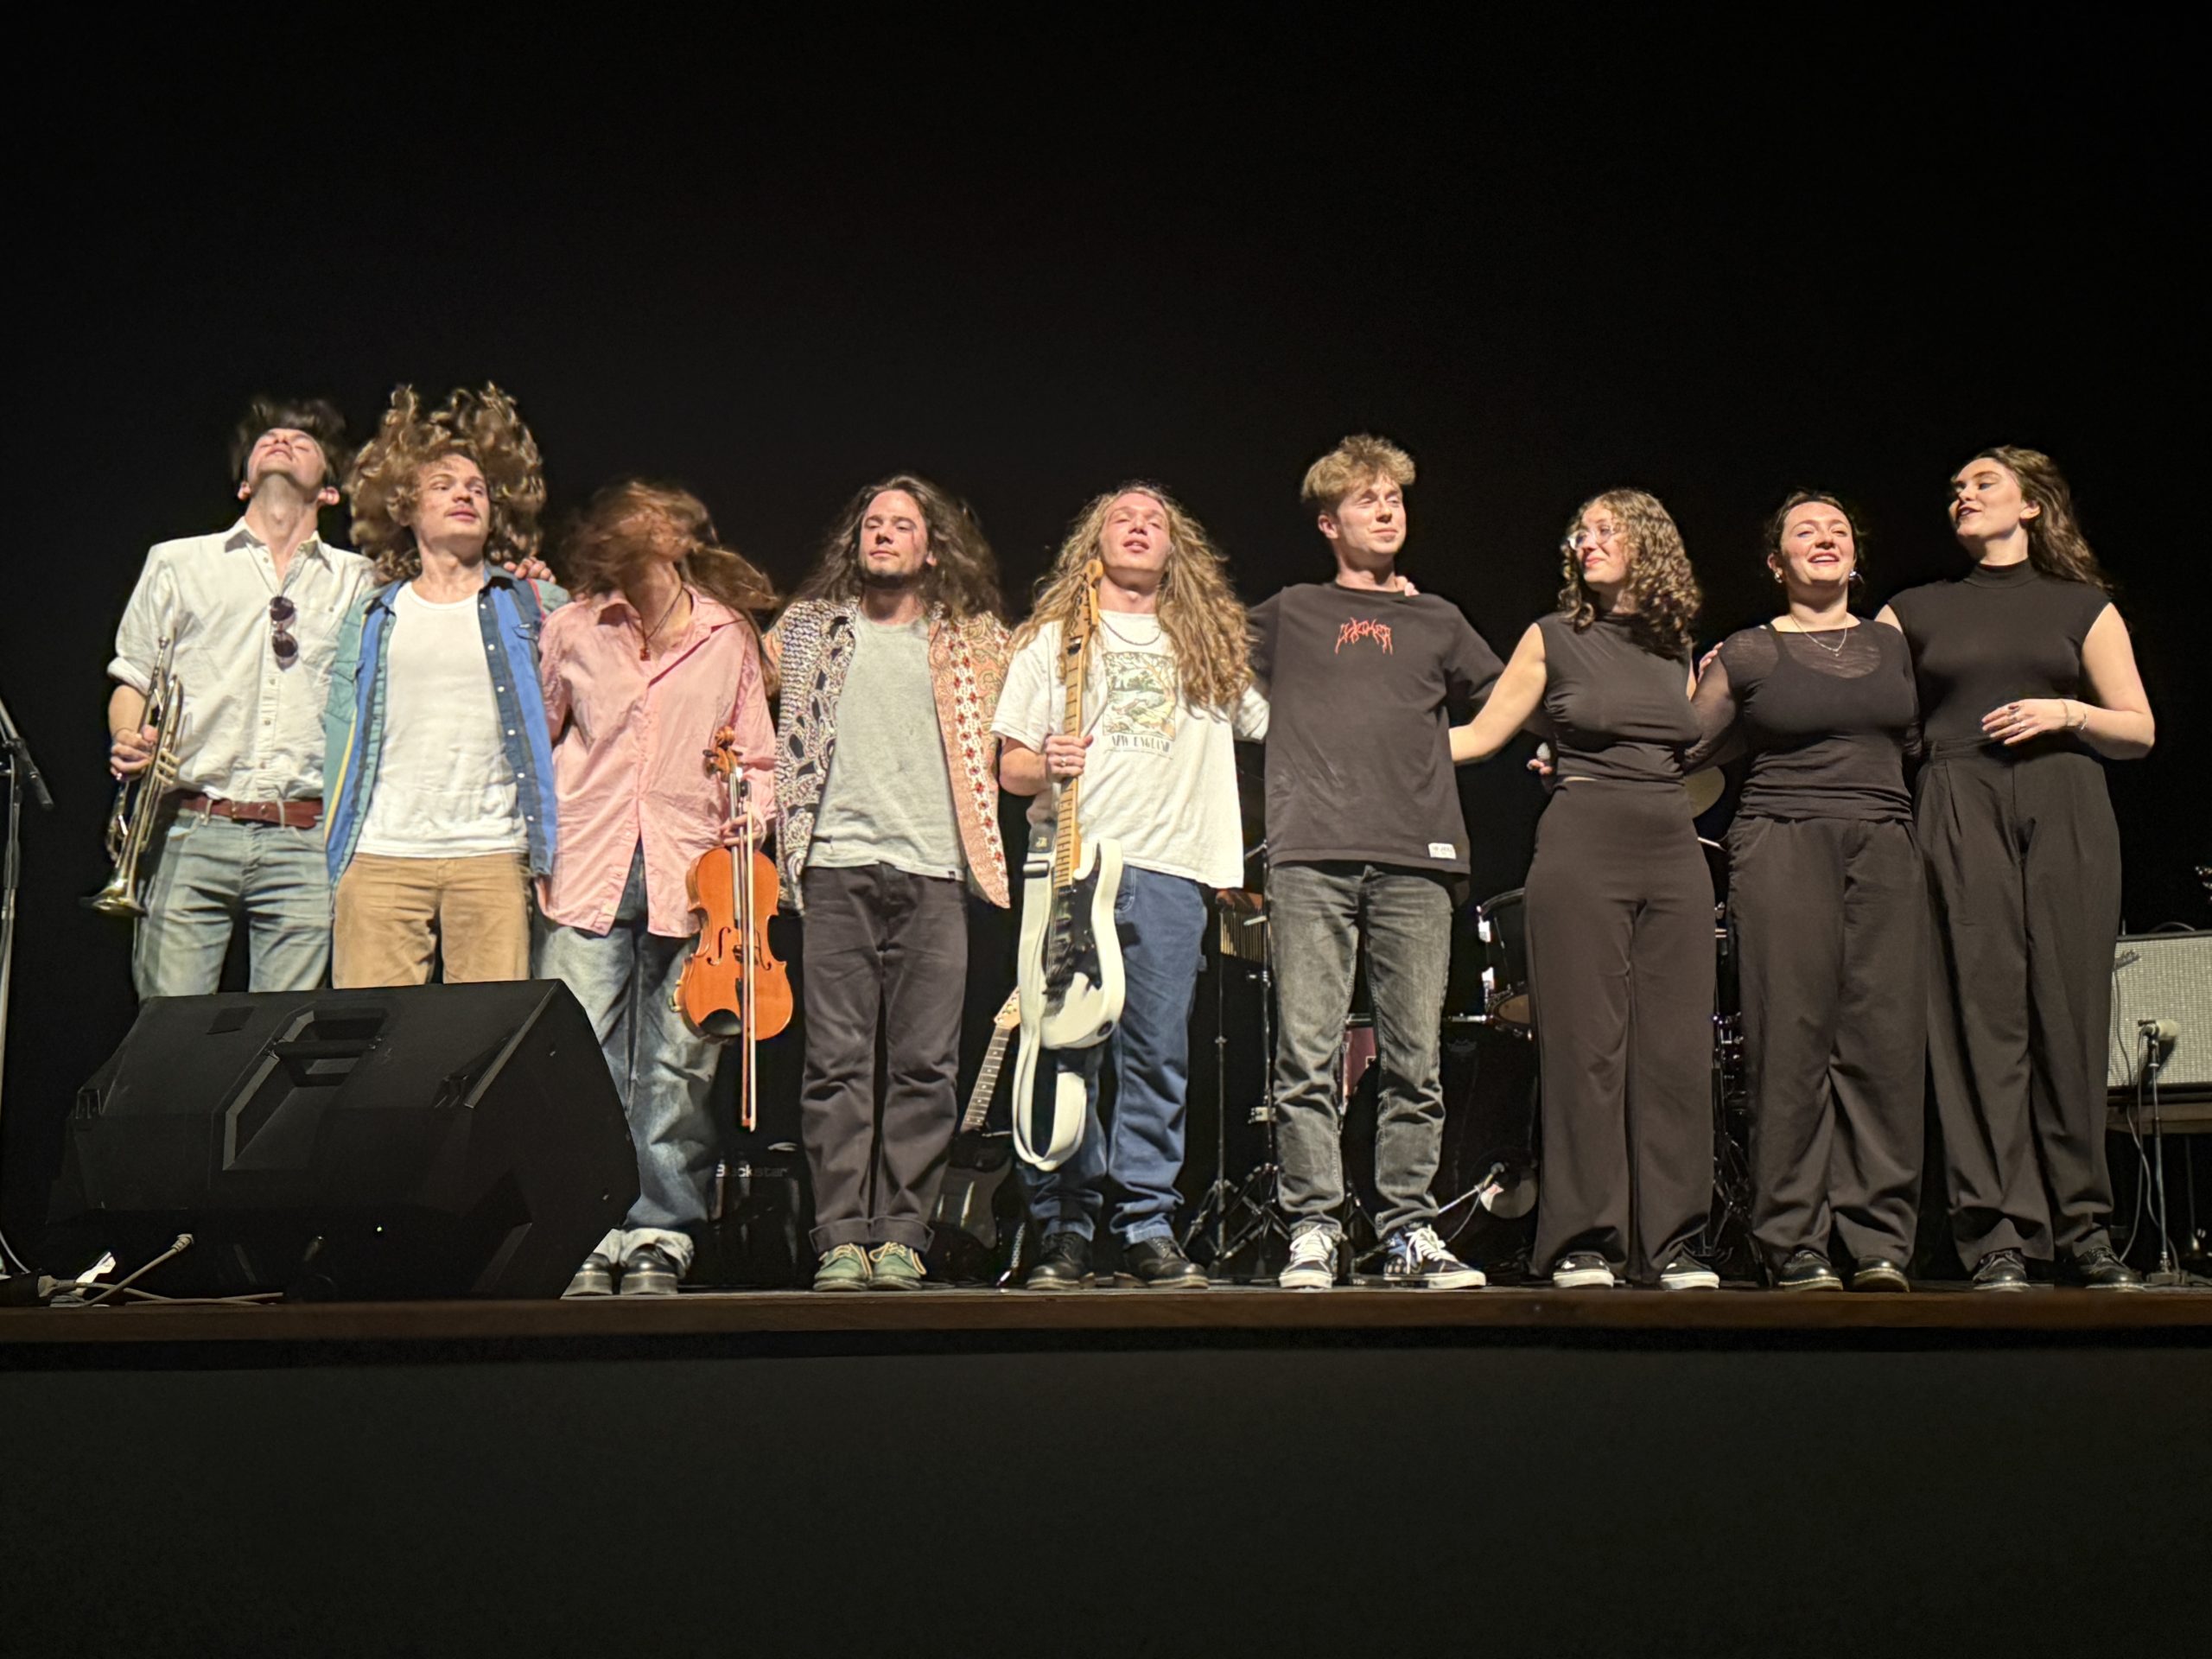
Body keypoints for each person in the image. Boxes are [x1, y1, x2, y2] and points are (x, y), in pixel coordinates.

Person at [1878, 448, 2152, 1292]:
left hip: (2064, 795)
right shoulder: (1912, 609)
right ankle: (1995, 1231)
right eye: (1955, 488)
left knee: (2069, 1015)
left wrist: (2067, 711)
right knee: (1977, 1017)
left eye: (1983, 483)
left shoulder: (2082, 605)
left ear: (2031, 505)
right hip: (1958, 797)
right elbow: (1851, 693)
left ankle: (2084, 1228)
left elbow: (2138, 730)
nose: (1962, 495)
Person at [995, 484, 1267, 1290]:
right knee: (1067, 1048)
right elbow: (1011, 768)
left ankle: (1147, 1224)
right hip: (1075, 864)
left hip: (1173, 868)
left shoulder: (1208, 646)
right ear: (1096, 541)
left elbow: (1279, 723)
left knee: (1157, 1055)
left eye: (1156, 521)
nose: (1140, 527)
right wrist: (1048, 761)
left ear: (1175, 549)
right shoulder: (1054, 641)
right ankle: (1064, 1228)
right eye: (1124, 518)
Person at [1449, 489, 1718, 1290]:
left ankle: (1672, 1243)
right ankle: (1582, 1241)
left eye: (1605, 530)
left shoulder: (1675, 645)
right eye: (1580, 533)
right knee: (1584, 1053)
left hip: (1672, 850)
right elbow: (1482, 735)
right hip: (1582, 849)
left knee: (1675, 1053)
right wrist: (1375, 746)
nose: (1585, 542)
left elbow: (1689, 747)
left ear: (1649, 543)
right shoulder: (1552, 636)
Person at [1252, 435, 1502, 1289]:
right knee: (1306, 1054)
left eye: (1395, 497)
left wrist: (1449, 750)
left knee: (1414, 1059)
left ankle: (1408, 1231)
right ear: (1329, 523)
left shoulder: (1437, 619)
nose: (1387, 510)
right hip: (1311, 858)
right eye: (1367, 499)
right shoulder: (1292, 612)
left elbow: (1508, 698)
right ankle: (1314, 1228)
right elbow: (1203, 666)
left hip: (1416, 861)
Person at [768, 475, 1012, 1291]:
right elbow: (727, 666)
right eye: (873, 523)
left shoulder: (974, 641)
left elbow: (1049, 680)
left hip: (936, 873)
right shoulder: (809, 628)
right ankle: (841, 1236)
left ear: (932, 549)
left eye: (903, 525)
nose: (884, 534)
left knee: (926, 1067)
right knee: (835, 1063)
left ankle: (903, 1233)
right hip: (835, 867)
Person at [537, 482, 777, 1298]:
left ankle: (660, 1230)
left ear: (683, 535)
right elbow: (540, 740)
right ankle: (586, 1228)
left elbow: (759, 759)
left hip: (694, 875)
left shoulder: (724, 633)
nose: (649, 529)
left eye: (661, 516)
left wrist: (749, 816)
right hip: (589, 864)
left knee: (679, 1065)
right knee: (585, 1058)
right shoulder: (573, 627)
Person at [1689, 494, 1923, 1291]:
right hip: (1782, 839)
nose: (1825, 539)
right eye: (1804, 531)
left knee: (1884, 1043)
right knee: (1790, 1043)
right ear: (1775, 562)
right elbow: (1686, 746)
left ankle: (1881, 1239)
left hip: (1884, 840)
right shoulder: (1749, 650)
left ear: (1856, 557)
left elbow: (1918, 741)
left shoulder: (1892, 645)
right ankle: (1795, 1241)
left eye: (1839, 531)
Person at [106, 397, 368, 996]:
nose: (281, 440)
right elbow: (134, 678)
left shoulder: (362, 579)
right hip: (192, 826)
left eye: (303, 442)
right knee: (170, 1029)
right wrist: (127, 735)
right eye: (267, 439)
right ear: (243, 483)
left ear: (330, 491)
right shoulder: (178, 562)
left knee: (278, 1036)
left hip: (304, 836)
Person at [322, 385, 561, 988]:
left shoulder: (533, 604)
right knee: (372, 1035)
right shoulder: (372, 614)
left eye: (477, 488)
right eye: (443, 485)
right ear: (404, 509)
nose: (464, 495)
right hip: (381, 856)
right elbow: (338, 729)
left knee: (487, 1037)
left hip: (492, 855)